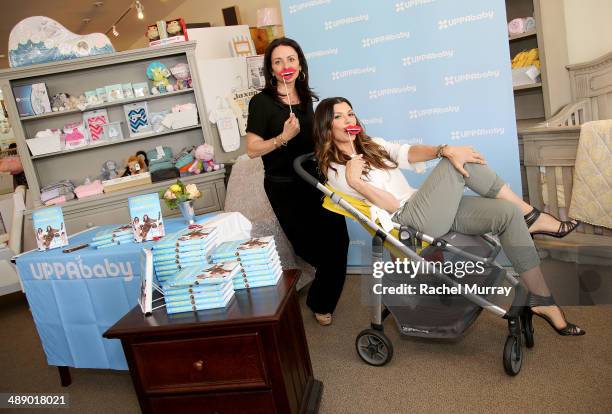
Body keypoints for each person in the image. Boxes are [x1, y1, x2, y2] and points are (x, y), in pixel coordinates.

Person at [313, 97, 584, 336]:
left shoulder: (372, 145)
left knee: (507, 213)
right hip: (407, 221)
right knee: (455, 160)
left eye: (350, 113)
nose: (348, 119)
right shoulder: (337, 172)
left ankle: (542, 299)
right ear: (327, 127)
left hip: (425, 206)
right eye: (339, 116)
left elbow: (406, 152)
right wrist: (358, 183)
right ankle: (534, 216)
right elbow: (391, 204)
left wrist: (441, 148)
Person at [246, 38, 349, 326]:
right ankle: (321, 293)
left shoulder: (308, 99)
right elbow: (252, 150)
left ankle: (321, 302)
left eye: (291, 59)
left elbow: (316, 142)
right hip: (285, 188)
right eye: (278, 62)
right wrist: (282, 138)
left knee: (340, 241)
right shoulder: (261, 103)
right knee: (311, 249)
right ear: (271, 69)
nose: (285, 66)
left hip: (317, 181)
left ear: (300, 64)